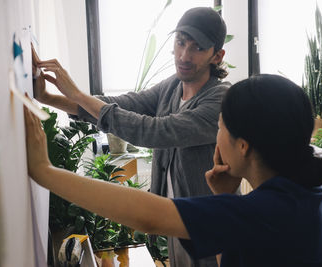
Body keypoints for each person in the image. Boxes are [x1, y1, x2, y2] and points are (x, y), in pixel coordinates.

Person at [25, 74, 322, 267]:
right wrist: (224, 195)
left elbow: (150, 216)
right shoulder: (305, 192)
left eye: (221, 126)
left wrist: (44, 171)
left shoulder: (267, 210)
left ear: (243, 145)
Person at [33, 7, 230, 267]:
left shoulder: (219, 99)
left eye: (197, 48)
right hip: (177, 222)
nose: (184, 55)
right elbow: (125, 104)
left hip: (208, 226)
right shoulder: (172, 86)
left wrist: (78, 94)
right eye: (181, 42)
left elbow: (156, 131)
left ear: (217, 56)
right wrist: (48, 98)